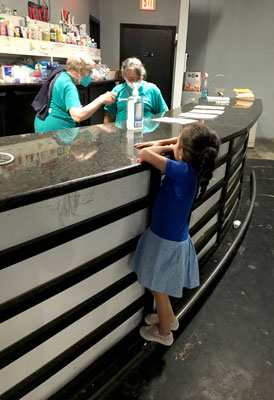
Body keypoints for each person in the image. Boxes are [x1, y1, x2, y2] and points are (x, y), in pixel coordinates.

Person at [130, 122, 220, 346]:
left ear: (182, 152)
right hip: (173, 237)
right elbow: (177, 150)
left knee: (156, 287)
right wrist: (175, 146)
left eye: (177, 142)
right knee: (156, 283)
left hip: (164, 239)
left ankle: (165, 330)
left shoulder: (180, 170)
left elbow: (144, 154)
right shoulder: (195, 168)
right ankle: (166, 317)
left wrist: (160, 144)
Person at [34, 55, 115, 132]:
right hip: (57, 130)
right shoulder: (69, 85)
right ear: (80, 69)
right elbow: (78, 116)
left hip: (43, 122)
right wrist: (101, 99)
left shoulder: (61, 75)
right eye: (89, 72)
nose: (90, 76)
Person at [103, 57, 168, 123]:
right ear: (124, 77)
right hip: (121, 130)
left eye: (138, 78)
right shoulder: (117, 90)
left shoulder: (152, 90)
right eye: (131, 79)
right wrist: (107, 131)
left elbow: (164, 114)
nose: (135, 82)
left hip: (146, 130)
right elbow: (109, 115)